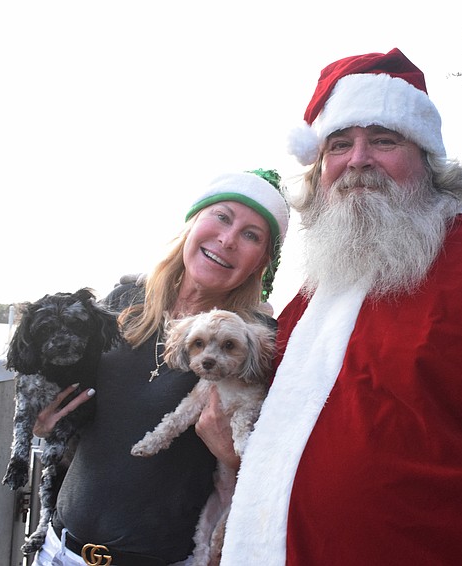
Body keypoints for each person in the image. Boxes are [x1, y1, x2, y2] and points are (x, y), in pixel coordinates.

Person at [222, 48, 462, 565]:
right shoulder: (309, 300)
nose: (358, 159)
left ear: (427, 161)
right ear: (319, 171)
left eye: (384, 140)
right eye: (339, 144)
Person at [29, 169, 289, 566]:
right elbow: (68, 399)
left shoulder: (258, 342)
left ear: (262, 263)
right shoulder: (122, 300)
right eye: (221, 217)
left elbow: (277, 469)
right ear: (192, 223)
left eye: (251, 235)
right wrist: (43, 419)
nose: (228, 239)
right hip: (58, 550)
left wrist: (234, 456)